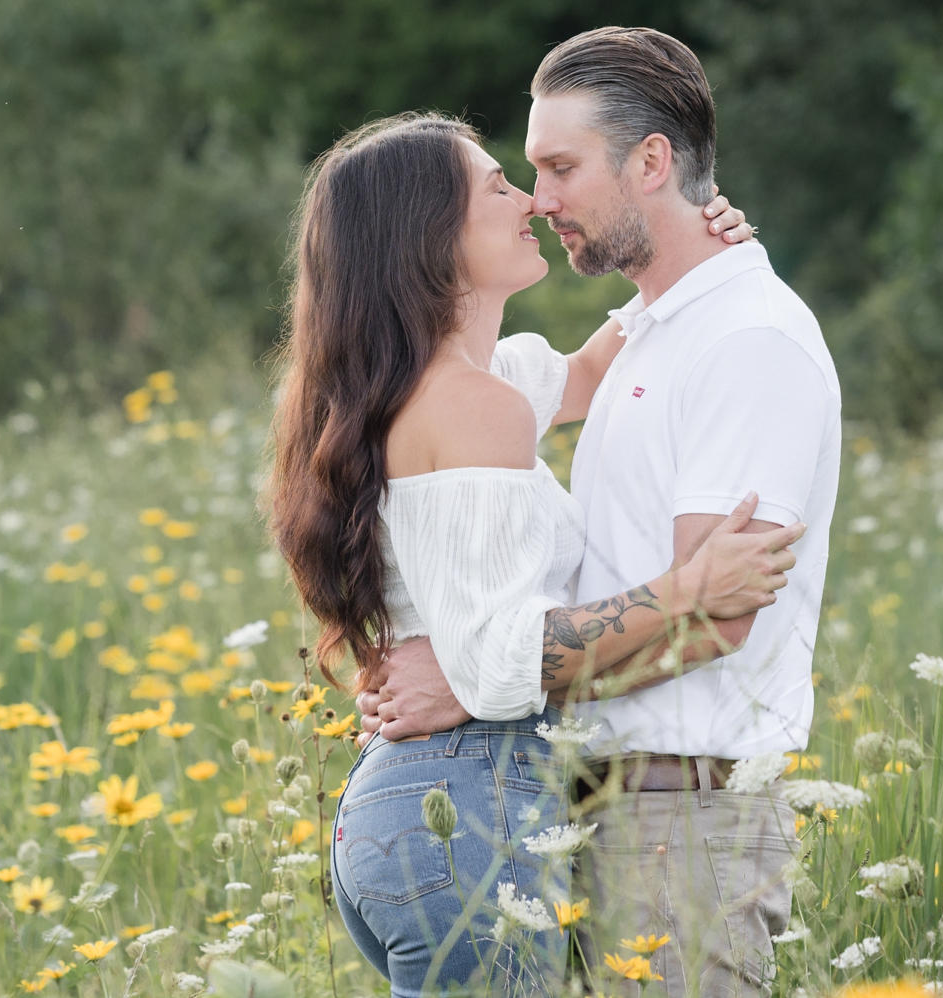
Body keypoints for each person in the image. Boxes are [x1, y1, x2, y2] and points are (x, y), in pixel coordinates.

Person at [266, 108, 806, 996]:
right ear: (430, 237)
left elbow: (594, 367)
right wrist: (686, 588)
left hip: (414, 810)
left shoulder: (466, 385)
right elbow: (493, 661)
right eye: (497, 186)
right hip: (466, 813)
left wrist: (699, 249)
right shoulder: (467, 406)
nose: (530, 199)